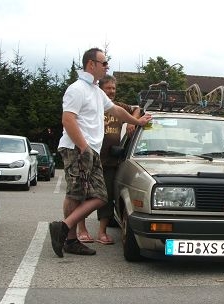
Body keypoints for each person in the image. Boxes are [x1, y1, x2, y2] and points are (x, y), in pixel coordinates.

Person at [49, 47, 151, 257]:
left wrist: (137, 121)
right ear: (91, 65)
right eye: (104, 63)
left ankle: (64, 228)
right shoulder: (77, 89)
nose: (107, 66)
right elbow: (67, 120)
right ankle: (68, 238)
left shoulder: (95, 90)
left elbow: (117, 110)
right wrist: (84, 147)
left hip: (90, 150)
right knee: (77, 194)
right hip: (77, 148)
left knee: (97, 196)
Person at [77, 74, 139, 245]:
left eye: (113, 89)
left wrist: (133, 122)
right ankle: (81, 230)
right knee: (83, 194)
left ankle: (102, 233)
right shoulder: (92, 106)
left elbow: (137, 107)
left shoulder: (118, 107)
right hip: (89, 158)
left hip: (111, 161)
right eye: (108, 88)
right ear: (100, 89)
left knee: (107, 197)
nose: (111, 92)